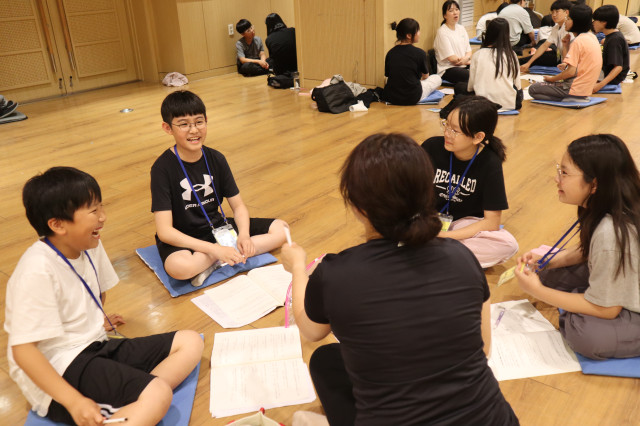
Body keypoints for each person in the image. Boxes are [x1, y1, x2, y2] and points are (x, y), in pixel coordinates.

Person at [281, 133, 519, 425]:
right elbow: (483, 348)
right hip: (494, 419)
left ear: (358, 207)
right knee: (328, 360)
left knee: (325, 360)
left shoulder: (336, 273)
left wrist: (297, 267)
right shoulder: (462, 257)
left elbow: (311, 330)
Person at [5, 167, 204, 425]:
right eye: (93, 211)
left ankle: (136, 398)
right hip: (60, 366)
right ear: (57, 224)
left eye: (101, 207)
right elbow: (23, 351)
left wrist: (94, 319)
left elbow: (96, 290)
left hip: (96, 344)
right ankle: (143, 398)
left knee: (190, 341)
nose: (103, 217)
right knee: (159, 393)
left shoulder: (89, 243)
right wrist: (74, 401)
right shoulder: (36, 270)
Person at [515, 134, 640, 360]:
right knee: (547, 273)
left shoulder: (611, 233)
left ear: (595, 184)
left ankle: (587, 298)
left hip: (628, 304)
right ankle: (586, 295)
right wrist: (552, 259)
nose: (557, 179)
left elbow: (608, 310)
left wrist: (537, 291)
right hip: (623, 275)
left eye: (564, 173)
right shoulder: (608, 202)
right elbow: (590, 248)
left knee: (586, 336)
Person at [151, 90, 287, 286]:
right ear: (167, 128)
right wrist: (215, 249)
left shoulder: (216, 158)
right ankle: (222, 255)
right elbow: (165, 232)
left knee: (282, 229)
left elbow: (238, 207)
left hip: (217, 227)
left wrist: (244, 235)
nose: (194, 130)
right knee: (179, 268)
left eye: (199, 122)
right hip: (184, 238)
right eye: (184, 124)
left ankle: (219, 258)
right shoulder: (162, 168)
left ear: (206, 121)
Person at [422, 96, 518, 268]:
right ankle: (443, 255)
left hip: (462, 225)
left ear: (477, 137)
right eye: (446, 125)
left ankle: (428, 252)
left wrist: (443, 236)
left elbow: (491, 222)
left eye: (455, 131)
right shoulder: (431, 147)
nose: (447, 133)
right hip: (426, 217)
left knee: (508, 245)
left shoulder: (490, 163)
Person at [528, 4, 601, 101]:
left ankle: (569, 99)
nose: (566, 21)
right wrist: (565, 45)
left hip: (573, 87)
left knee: (533, 89)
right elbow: (572, 66)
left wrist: (552, 79)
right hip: (586, 89)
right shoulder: (591, 37)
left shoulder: (578, 41)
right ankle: (570, 98)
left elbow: (570, 72)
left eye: (569, 19)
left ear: (577, 22)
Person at [381, 18, 442, 105]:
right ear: (409, 36)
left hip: (392, 97)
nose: (419, 33)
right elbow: (425, 76)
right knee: (437, 78)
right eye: (417, 31)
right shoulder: (420, 53)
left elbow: (387, 75)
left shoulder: (390, 53)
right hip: (413, 96)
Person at [468, 18, 522, 110]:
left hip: (482, 103)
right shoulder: (511, 54)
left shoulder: (477, 54)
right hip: (510, 103)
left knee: (460, 87)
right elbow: (517, 85)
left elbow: (471, 86)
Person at [520, 0, 574, 72]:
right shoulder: (556, 28)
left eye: (557, 12)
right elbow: (544, 45)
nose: (554, 15)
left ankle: (516, 63)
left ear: (566, 12)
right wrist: (528, 63)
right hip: (560, 56)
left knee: (541, 57)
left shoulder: (570, 28)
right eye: (552, 12)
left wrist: (565, 63)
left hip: (569, 60)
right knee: (540, 54)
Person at [592, 5, 630, 93]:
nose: (593, 23)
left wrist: (599, 86)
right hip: (606, 72)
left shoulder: (615, 39)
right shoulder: (612, 35)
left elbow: (618, 67)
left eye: (595, 20)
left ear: (604, 22)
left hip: (612, 78)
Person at [434, 1, 472, 85]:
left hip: (463, 65)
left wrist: (466, 59)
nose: (455, 12)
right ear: (445, 15)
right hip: (448, 68)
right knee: (472, 76)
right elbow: (452, 59)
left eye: (457, 9)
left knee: (483, 69)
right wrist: (466, 61)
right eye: (451, 11)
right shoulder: (442, 32)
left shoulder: (461, 28)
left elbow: (469, 51)